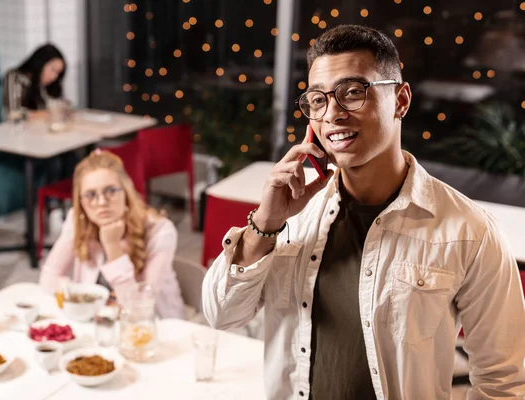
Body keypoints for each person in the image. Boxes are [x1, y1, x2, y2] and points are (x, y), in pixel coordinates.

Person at [202, 24, 525, 400]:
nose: (333, 114)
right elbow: (220, 315)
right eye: (318, 100)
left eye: (353, 93)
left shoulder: (470, 231)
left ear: (400, 100)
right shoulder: (290, 216)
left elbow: (505, 382)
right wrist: (266, 223)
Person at [40, 149, 185, 319]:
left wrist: (112, 247)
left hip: (155, 327)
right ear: (80, 201)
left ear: (126, 192)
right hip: (98, 322)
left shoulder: (160, 230)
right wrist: (79, 295)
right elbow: (48, 278)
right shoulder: (77, 219)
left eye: (111, 191)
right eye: (90, 195)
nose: (101, 202)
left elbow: (140, 311)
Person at [1, 43, 66, 117]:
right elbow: (13, 113)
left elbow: (53, 105)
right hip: (15, 127)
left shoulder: (42, 84)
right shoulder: (14, 76)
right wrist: (47, 113)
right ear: (40, 62)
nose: (54, 77)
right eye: (53, 70)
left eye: (58, 73)